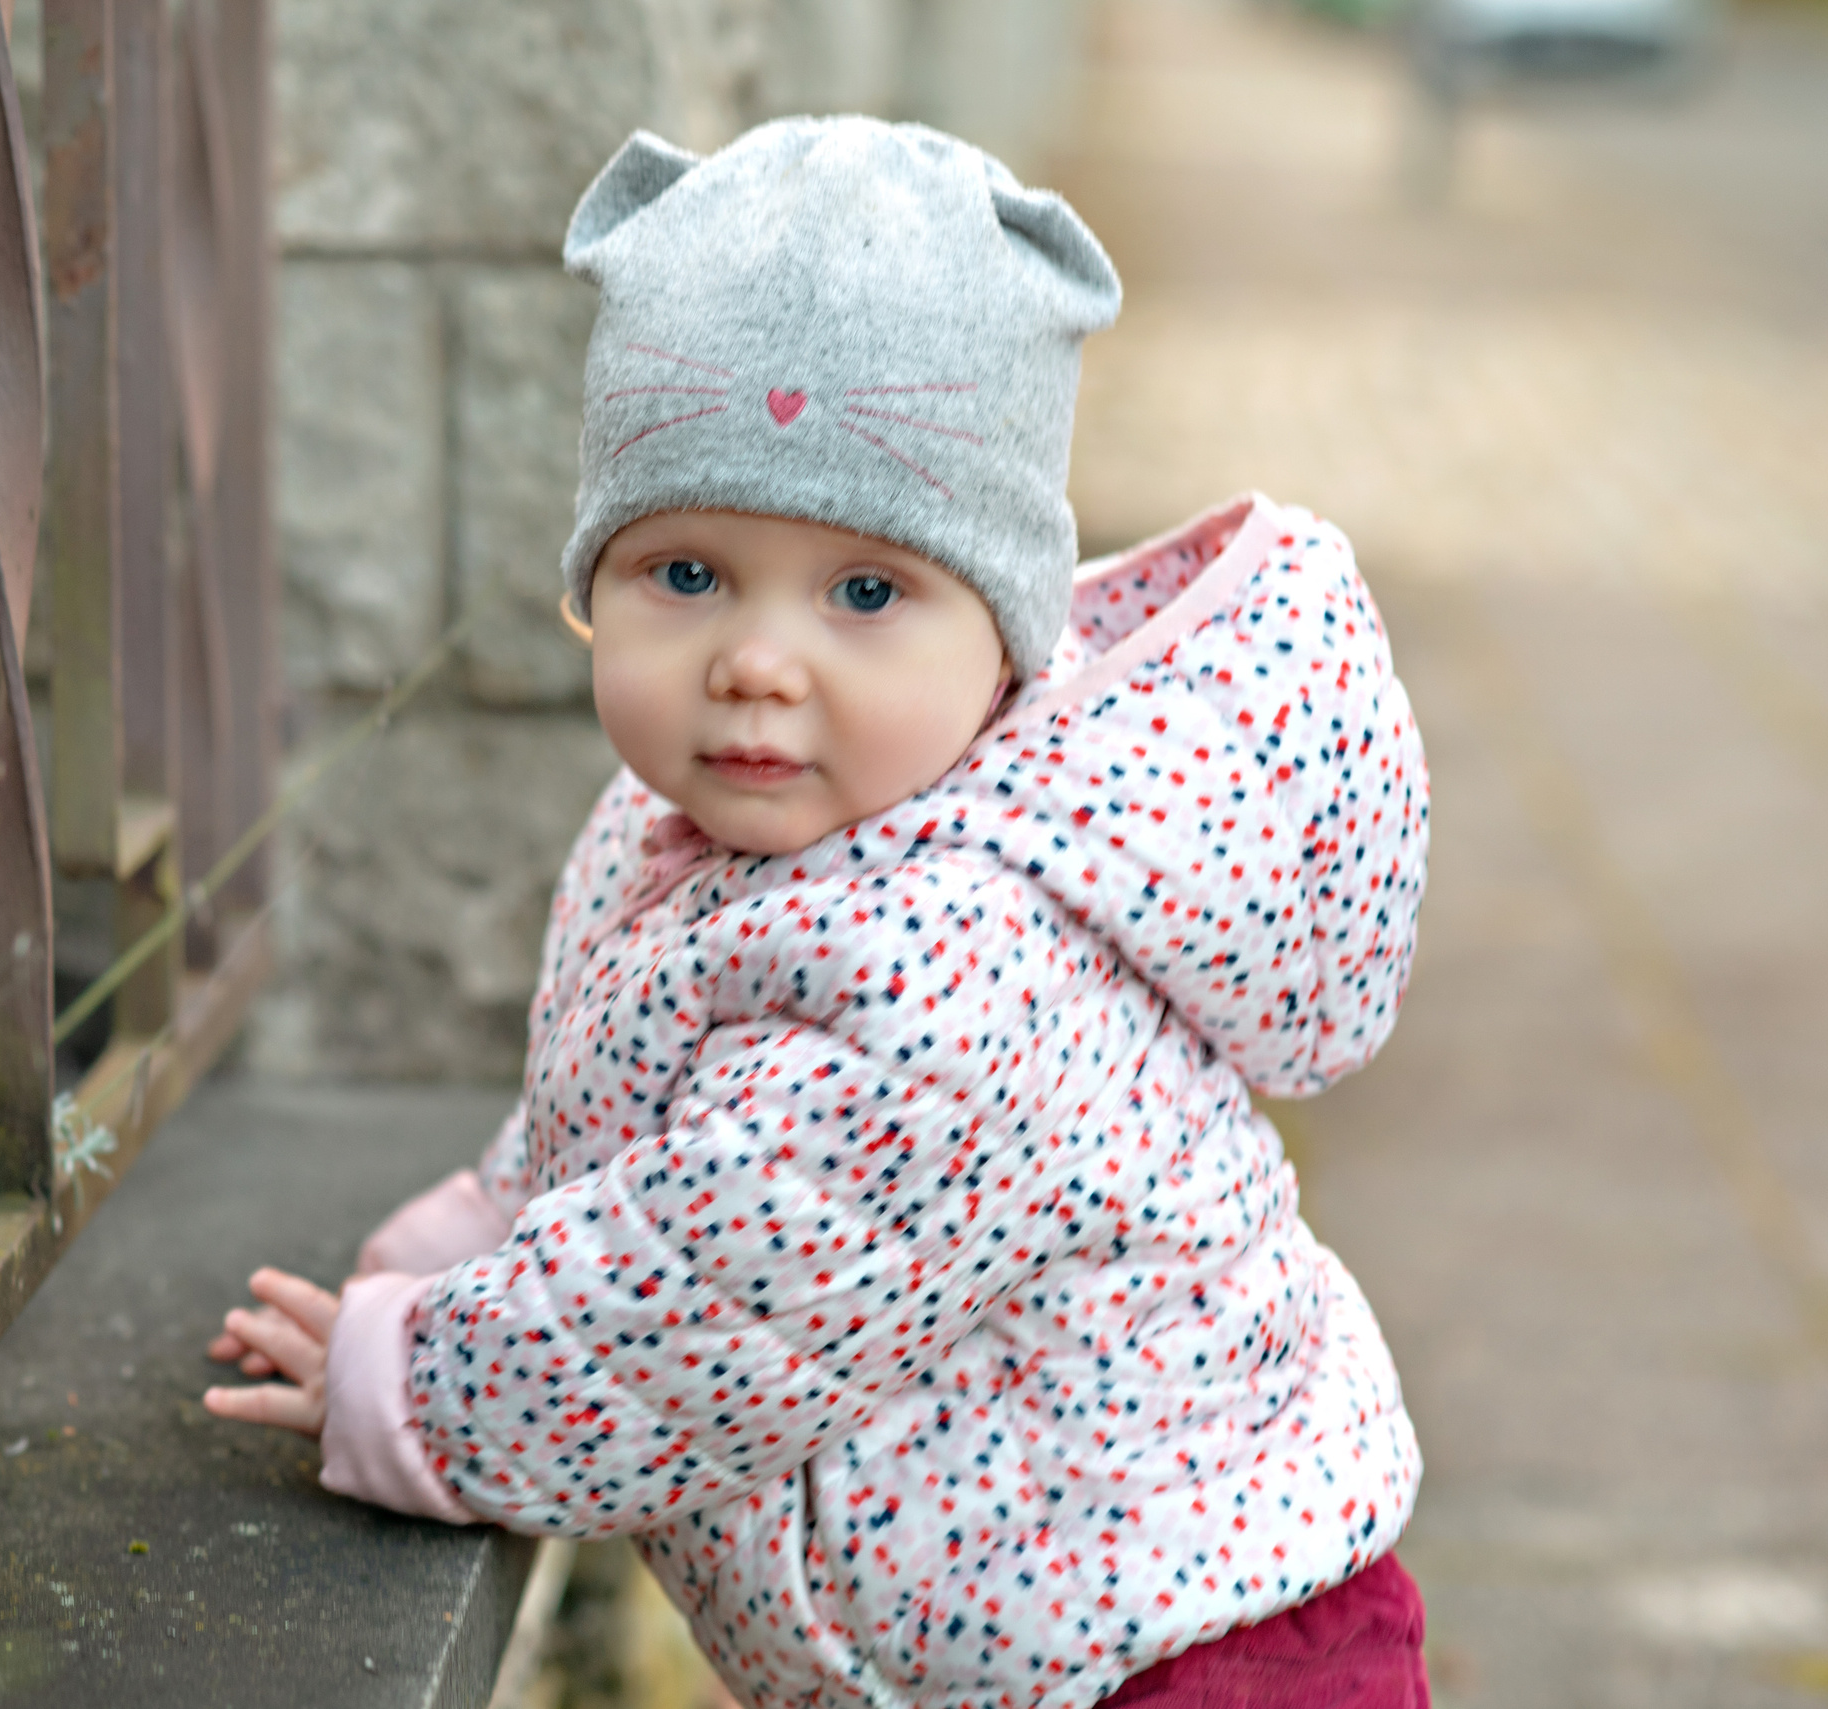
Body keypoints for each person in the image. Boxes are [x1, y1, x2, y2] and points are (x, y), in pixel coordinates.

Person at [205, 115, 1432, 1708]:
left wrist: (412, 1380)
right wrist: (501, 1219)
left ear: (1005, 640)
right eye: (688, 573)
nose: (757, 662)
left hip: (1175, 1654)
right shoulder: (704, 826)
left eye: (865, 593)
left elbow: (703, 1316)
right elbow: (655, 1108)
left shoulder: (953, 958)